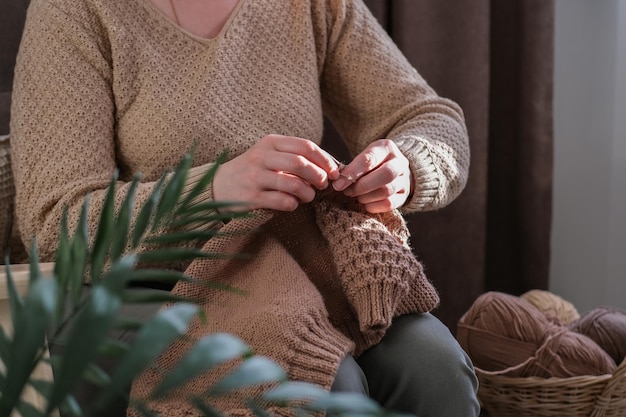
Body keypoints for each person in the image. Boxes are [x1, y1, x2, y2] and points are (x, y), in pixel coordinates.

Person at [10, 0, 480, 416]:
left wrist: (408, 167)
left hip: (301, 267)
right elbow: (55, 221)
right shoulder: (73, 10)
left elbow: (430, 119)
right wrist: (213, 191)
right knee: (321, 384)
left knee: (434, 366)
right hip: (148, 283)